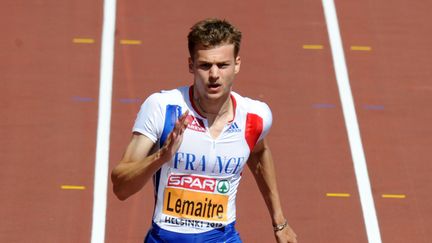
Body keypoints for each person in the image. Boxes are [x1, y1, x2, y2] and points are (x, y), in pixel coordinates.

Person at [111, 18, 297, 243]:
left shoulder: (254, 116)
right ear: (191, 65)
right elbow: (120, 187)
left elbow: (258, 154)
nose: (214, 75)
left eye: (223, 65)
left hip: (222, 238)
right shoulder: (163, 108)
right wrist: (161, 157)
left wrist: (280, 222)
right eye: (205, 65)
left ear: (237, 64)